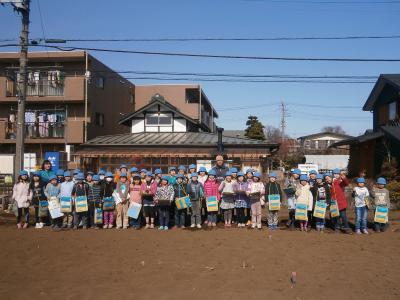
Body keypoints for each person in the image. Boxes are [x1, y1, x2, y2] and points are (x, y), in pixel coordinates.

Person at [331, 168, 351, 233]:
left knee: (343, 216)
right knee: (336, 216)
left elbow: (346, 183)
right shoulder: (331, 182)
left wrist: (344, 178)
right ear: (333, 174)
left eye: (337, 174)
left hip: (341, 202)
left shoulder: (340, 182)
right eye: (335, 174)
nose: (336, 175)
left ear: (339, 175)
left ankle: (347, 228)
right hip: (334, 202)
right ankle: (337, 227)